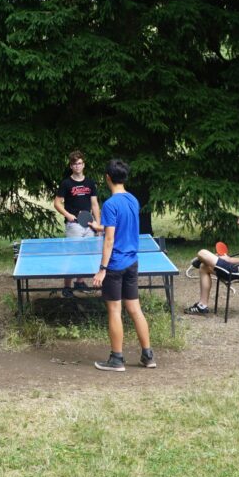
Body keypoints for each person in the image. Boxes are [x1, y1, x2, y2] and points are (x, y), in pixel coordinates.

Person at [89, 158, 156, 372]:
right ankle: (148, 356)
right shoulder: (133, 200)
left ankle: (116, 360)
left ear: (107, 178)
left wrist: (102, 269)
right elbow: (120, 226)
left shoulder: (110, 204)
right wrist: (100, 226)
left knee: (115, 310)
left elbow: (109, 240)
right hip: (132, 262)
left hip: (116, 265)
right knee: (135, 309)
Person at [185, 206, 239, 316]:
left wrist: (228, 259)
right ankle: (202, 306)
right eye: (238, 218)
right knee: (204, 267)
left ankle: (201, 259)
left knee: (202, 253)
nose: (238, 222)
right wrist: (224, 260)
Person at [53, 151, 102, 298]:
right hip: (74, 225)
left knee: (86, 254)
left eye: (79, 163)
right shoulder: (66, 183)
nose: (77, 166)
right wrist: (68, 215)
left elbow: (94, 204)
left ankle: (79, 282)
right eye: (74, 164)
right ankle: (67, 287)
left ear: (83, 164)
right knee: (72, 255)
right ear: (71, 166)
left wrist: (98, 224)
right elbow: (57, 203)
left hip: (89, 223)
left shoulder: (90, 183)